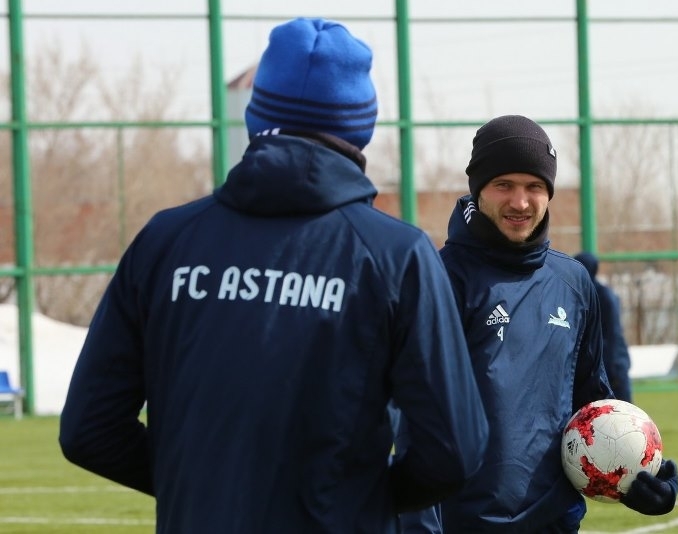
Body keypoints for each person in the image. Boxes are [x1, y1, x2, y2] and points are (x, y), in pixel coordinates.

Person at [59, 17, 489, 534]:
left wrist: (202, 487)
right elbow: (456, 450)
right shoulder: (396, 255)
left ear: (256, 113)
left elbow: (89, 429)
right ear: (361, 126)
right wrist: (350, 500)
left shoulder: (165, 240)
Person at [401, 115, 678, 532]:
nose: (520, 202)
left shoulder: (572, 283)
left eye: (534, 186)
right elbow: (412, 419)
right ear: (478, 188)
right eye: (504, 185)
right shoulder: (439, 279)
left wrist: (639, 480)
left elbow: (592, 404)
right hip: (463, 523)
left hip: (555, 523)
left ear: (549, 192)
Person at [574, 251, 633, 403]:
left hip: (612, 364)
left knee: (623, 410)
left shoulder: (604, 296)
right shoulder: (582, 294)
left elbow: (613, 334)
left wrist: (613, 368)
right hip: (599, 364)